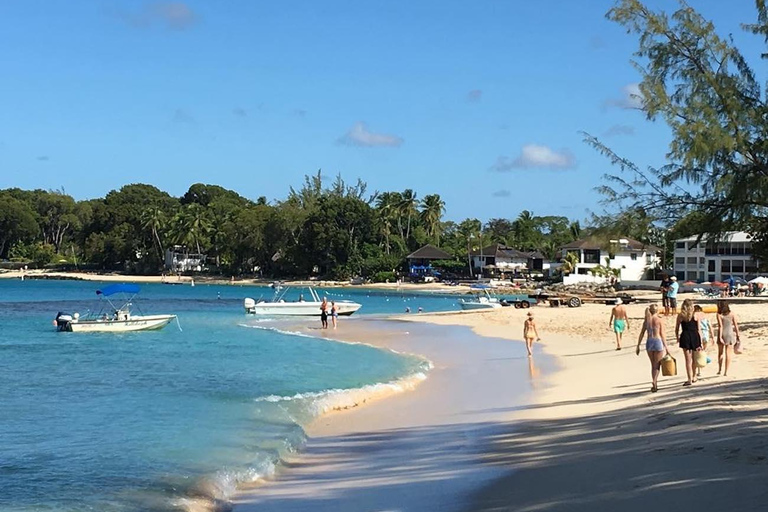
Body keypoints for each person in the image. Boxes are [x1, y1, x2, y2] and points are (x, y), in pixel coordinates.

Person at [636, 304, 669, 392]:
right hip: (657, 341)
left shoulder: (647, 321)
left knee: (653, 364)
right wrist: (667, 348)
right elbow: (662, 334)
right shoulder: (659, 320)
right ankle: (655, 381)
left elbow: (642, 333)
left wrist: (638, 345)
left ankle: (654, 382)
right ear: (657, 311)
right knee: (657, 364)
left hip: (649, 341)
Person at [676, 298, 703, 386]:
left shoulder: (681, 315)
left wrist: (677, 337)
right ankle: (694, 376)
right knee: (695, 358)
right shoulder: (696, 315)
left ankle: (689, 379)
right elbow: (699, 329)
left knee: (687, 360)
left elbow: (676, 328)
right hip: (695, 336)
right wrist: (701, 341)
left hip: (685, 336)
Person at [716, 300, 741, 376]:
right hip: (730, 333)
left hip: (722, 333)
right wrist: (738, 335)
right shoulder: (732, 313)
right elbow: (736, 325)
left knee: (720, 353)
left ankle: (720, 369)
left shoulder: (719, 315)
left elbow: (721, 326)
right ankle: (726, 371)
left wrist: (720, 337)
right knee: (728, 353)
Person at [693, 305, 713, 378]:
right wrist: (713, 336)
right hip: (706, 333)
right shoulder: (705, 316)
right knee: (703, 350)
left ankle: (699, 370)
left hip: (699, 334)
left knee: (698, 352)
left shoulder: (695, 316)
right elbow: (710, 326)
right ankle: (705, 360)